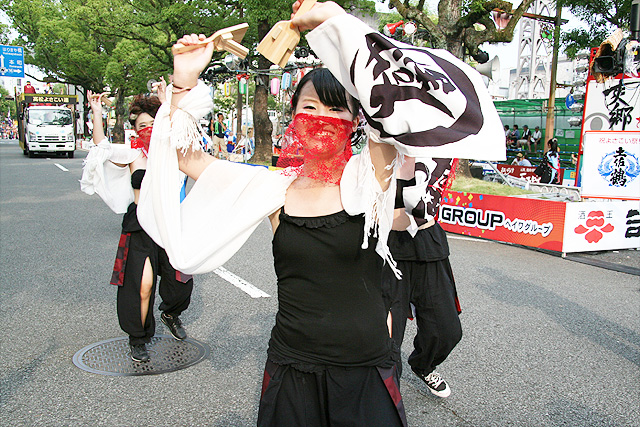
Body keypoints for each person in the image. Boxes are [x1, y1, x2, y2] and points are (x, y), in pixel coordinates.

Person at [138, 1, 504, 424]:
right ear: (292, 116)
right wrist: (184, 80)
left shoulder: (370, 176)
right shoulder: (274, 188)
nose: (322, 119)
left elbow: (392, 102)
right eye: (310, 107)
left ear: (357, 121)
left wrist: (334, 22)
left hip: (366, 368)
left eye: (336, 109)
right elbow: (187, 158)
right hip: (291, 365)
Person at [80, 86, 194, 363]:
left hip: (169, 223)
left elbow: (182, 129)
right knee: (142, 286)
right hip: (140, 225)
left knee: (179, 284)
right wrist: (97, 113)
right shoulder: (133, 154)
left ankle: (171, 313)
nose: (148, 129)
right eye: (142, 125)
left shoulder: (175, 152)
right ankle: (138, 338)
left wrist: (167, 102)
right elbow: (102, 147)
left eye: (153, 123)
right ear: (134, 129)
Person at [384, 156, 462, 398]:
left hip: (428, 243)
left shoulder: (442, 149)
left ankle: (423, 365)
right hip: (387, 246)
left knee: (446, 330)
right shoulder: (384, 143)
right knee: (387, 337)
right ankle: (385, 396)